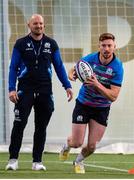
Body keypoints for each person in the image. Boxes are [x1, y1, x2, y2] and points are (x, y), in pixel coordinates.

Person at [6, 14, 73, 171]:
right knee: (19, 124)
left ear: (44, 25)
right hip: (24, 90)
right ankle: (13, 160)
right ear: (29, 25)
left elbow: (59, 67)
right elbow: (13, 67)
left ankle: (37, 161)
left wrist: (67, 86)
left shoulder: (51, 44)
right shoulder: (20, 44)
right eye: (35, 23)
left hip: (45, 91)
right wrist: (11, 88)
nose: (39, 26)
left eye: (41, 23)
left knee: (41, 127)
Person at [59, 33, 124, 174]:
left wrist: (97, 84)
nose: (106, 49)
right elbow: (75, 69)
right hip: (84, 104)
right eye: (103, 45)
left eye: (109, 46)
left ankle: (78, 161)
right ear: (99, 46)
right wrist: (71, 74)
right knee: (76, 142)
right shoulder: (90, 59)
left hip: (102, 108)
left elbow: (113, 96)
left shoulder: (117, 67)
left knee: (92, 146)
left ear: (114, 47)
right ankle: (67, 145)